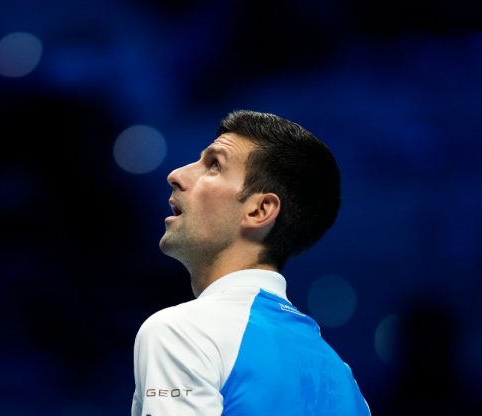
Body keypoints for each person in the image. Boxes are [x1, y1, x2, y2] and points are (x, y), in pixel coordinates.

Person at [131, 110, 371, 415]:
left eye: (214, 165)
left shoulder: (183, 333)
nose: (176, 174)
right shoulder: (345, 382)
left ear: (259, 211)